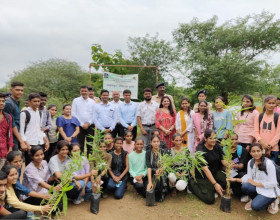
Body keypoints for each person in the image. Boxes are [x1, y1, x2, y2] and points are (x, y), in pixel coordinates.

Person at [228, 143, 280, 214]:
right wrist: (236, 179)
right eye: (253, 151)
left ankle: (273, 200)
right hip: (258, 187)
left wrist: (256, 183)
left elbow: (273, 183)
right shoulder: (251, 162)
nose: (256, 153)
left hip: (270, 189)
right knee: (245, 186)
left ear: (262, 151)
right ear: (250, 153)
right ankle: (255, 198)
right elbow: (248, 178)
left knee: (255, 206)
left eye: (258, 151)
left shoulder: (268, 163)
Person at [188, 129, 227, 204]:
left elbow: (223, 160)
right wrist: (215, 184)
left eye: (215, 138)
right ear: (205, 139)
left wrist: (228, 164)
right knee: (209, 199)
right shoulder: (200, 150)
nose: (214, 140)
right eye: (211, 138)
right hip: (203, 176)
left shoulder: (217, 146)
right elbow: (205, 170)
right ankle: (191, 184)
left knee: (228, 181)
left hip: (215, 172)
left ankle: (211, 187)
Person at [19, 93, 49, 165]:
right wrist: (27, 145)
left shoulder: (40, 113)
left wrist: (46, 140)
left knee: (40, 165)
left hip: (40, 143)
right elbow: (21, 132)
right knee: (30, 166)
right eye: (35, 101)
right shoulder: (24, 113)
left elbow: (39, 129)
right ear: (29, 102)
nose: (37, 103)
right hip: (30, 143)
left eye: (38, 101)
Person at [254, 95, 280, 164]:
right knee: (259, 168)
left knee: (272, 169)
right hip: (259, 148)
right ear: (264, 104)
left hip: (273, 149)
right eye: (269, 103)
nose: (271, 105)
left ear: (276, 104)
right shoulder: (258, 116)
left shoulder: (278, 117)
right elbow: (256, 132)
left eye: (273, 103)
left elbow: (278, 134)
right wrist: (263, 144)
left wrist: (269, 147)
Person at [224, 134, 249, 202]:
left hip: (240, 173)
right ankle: (231, 188)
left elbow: (241, 166)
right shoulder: (224, 150)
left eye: (236, 139)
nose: (235, 141)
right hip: (229, 172)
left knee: (242, 176)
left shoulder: (242, 150)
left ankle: (244, 194)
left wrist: (234, 165)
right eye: (232, 139)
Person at [3, 82, 27, 151]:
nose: (20, 92)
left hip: (17, 138)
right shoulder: (8, 103)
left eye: (22, 90)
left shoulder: (16, 103)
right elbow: (12, 124)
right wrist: (21, 142)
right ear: (11, 90)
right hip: (11, 140)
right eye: (17, 90)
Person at [72, 85, 95, 155]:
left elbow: (94, 114)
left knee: (90, 145)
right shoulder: (76, 101)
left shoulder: (92, 102)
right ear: (80, 91)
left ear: (88, 92)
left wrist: (88, 123)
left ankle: (89, 161)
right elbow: (73, 113)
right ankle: (80, 160)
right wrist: (81, 124)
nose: (84, 92)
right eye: (82, 91)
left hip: (90, 126)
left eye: (85, 91)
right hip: (79, 126)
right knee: (80, 144)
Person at [146, 135, 169, 202]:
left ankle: (163, 191)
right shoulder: (148, 153)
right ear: (151, 143)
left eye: (157, 141)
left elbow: (165, 165)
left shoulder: (164, 152)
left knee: (158, 197)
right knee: (149, 189)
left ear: (160, 142)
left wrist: (160, 170)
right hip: (153, 172)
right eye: (154, 142)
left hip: (162, 172)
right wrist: (150, 182)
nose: (156, 143)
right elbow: (149, 167)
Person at [0, 93, 13, 169]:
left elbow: (10, 134)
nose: (1, 103)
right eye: (0, 101)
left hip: (4, 151)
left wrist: (10, 148)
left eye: (3, 101)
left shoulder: (8, 117)